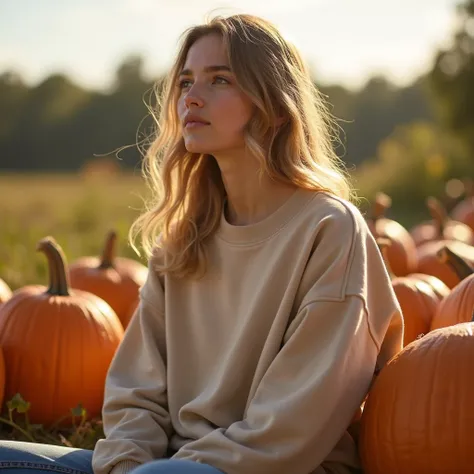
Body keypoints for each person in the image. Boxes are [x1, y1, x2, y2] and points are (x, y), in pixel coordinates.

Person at [0, 13, 403, 474]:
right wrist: (127, 465)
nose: (191, 96)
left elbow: (289, 429)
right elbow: (136, 394)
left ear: (272, 103)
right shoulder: (182, 237)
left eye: (220, 80)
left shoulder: (330, 231)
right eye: (186, 81)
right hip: (159, 469)